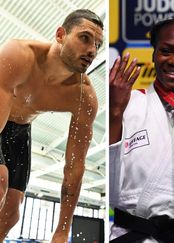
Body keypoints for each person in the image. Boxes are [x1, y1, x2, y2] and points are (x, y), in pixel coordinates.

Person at [0, 9, 103, 242]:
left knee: (11, 214)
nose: (92, 51)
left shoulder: (83, 97)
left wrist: (62, 230)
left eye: (98, 44)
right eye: (85, 38)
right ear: (60, 35)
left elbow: (74, 168)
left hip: (21, 129)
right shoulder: (19, 55)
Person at [109, 16, 174, 243]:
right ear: (154, 55)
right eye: (166, 51)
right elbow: (111, 192)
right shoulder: (128, 103)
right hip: (136, 237)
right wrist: (115, 112)